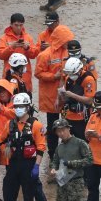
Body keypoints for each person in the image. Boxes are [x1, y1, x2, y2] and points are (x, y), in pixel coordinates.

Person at [48, 118, 95, 201]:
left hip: (76, 183)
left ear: (68, 129)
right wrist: (52, 169)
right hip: (62, 184)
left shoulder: (80, 143)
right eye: (58, 131)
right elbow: (54, 161)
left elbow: (89, 160)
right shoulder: (59, 147)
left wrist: (72, 163)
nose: (61, 133)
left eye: (63, 130)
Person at [33, 11, 74, 156]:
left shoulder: (67, 52)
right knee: (52, 126)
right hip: (50, 96)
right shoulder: (45, 55)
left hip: (64, 95)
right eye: (66, 40)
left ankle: (67, 151)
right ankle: (52, 153)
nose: (68, 42)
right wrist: (53, 76)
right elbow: (37, 73)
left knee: (68, 124)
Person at [59, 56, 96, 138]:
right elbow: (65, 97)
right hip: (68, 116)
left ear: (79, 70)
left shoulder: (88, 79)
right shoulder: (68, 78)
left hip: (82, 118)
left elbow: (89, 100)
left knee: (83, 142)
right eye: (69, 73)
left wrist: (72, 95)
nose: (71, 75)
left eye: (73, 73)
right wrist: (61, 96)